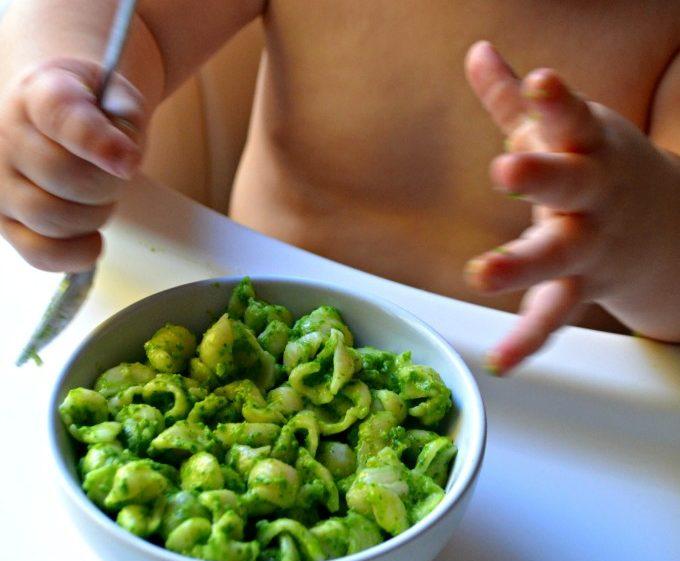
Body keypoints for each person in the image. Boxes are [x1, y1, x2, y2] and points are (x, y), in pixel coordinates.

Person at [0, 1, 678, 374]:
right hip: (245, 348)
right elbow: (132, 18)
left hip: (556, 414)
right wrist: (52, 91)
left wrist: (640, 228)